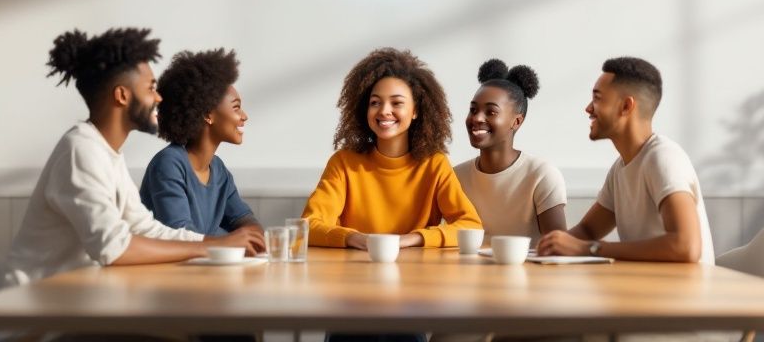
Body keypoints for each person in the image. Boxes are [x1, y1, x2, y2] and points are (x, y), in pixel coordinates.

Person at [5, 28, 237, 287]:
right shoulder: (80, 150)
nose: (158, 98)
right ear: (122, 95)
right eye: (151, 88)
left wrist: (216, 244)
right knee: (213, 325)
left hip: (75, 301)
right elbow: (113, 248)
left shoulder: (106, 153)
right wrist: (209, 248)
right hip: (36, 314)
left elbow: (146, 228)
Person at [537, 57, 714, 264]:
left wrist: (589, 248)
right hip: (654, 289)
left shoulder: (662, 158)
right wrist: (549, 246)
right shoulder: (620, 169)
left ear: (626, 106)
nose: (588, 108)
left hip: (687, 294)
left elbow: (686, 247)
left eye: (597, 98)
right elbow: (589, 229)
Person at [303, 47, 482, 250]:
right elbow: (308, 225)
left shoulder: (434, 164)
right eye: (375, 102)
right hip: (353, 272)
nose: (384, 111)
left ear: (415, 110)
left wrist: (410, 239)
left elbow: (471, 226)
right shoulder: (344, 163)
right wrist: (356, 239)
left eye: (397, 102)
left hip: (416, 274)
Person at [140, 49, 264, 253]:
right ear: (208, 115)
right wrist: (229, 241)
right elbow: (179, 234)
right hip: (166, 278)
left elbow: (244, 220)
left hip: (202, 272)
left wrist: (252, 237)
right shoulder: (169, 164)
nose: (244, 116)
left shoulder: (218, 169)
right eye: (236, 108)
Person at [454, 59, 566, 243]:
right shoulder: (456, 177)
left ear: (517, 121)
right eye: (473, 110)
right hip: (468, 271)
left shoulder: (541, 175)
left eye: (491, 112)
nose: (477, 118)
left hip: (527, 271)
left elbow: (559, 248)